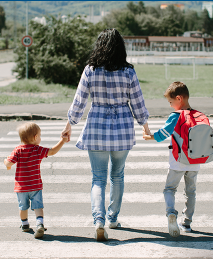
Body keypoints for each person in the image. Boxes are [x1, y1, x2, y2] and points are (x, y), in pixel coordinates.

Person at [61, 28, 150, 241]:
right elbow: (137, 101)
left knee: (98, 178)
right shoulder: (128, 72)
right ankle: (112, 218)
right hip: (122, 129)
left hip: (97, 127)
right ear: (120, 47)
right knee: (117, 175)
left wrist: (69, 124)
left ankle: (98, 220)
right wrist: (145, 125)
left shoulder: (91, 70)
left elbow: (79, 100)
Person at [143, 81, 200, 238]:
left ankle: (170, 214)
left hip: (178, 160)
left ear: (179, 98)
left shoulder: (176, 116)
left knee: (170, 189)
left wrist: (149, 136)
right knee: (191, 192)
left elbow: (163, 133)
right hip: (195, 161)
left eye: (170, 102)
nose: (170, 106)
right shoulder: (198, 115)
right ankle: (187, 223)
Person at [4, 122, 69, 239]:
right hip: (35, 186)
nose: (40, 137)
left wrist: (5, 162)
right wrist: (62, 141)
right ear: (35, 137)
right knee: (38, 206)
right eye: (40, 135)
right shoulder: (37, 150)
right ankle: (40, 224)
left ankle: (24, 224)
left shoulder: (18, 150)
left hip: (21, 187)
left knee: (22, 207)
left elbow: (9, 163)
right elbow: (52, 151)